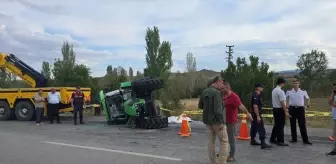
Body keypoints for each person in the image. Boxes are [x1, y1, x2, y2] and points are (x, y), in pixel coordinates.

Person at [198, 76, 228, 164]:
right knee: (224, 141)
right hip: (217, 122)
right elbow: (218, 110)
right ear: (217, 82)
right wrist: (221, 122)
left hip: (208, 121)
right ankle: (222, 162)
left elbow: (200, 106)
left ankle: (213, 161)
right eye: (221, 83)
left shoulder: (204, 91)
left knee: (211, 142)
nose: (222, 85)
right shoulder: (216, 93)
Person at [222, 82, 253, 162]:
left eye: (223, 88)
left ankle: (232, 155)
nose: (221, 89)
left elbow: (241, 106)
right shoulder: (224, 95)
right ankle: (224, 153)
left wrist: (248, 114)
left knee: (231, 138)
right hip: (223, 120)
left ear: (227, 88)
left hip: (230, 121)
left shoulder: (234, 97)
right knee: (224, 138)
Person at [285, 79, 312, 145]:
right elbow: (285, 99)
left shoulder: (303, 91)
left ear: (299, 84)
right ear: (292, 84)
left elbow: (308, 98)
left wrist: (307, 105)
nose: (295, 84)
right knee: (293, 125)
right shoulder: (289, 91)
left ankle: (305, 140)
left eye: (296, 83)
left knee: (302, 125)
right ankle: (294, 139)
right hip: (292, 109)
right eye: (294, 83)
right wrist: (286, 107)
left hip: (300, 109)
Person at [250, 83, 273, 149]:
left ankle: (253, 140)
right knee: (261, 128)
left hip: (254, 114)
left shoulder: (257, 95)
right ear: (257, 88)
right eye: (261, 87)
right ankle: (263, 143)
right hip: (256, 114)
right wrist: (258, 116)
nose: (262, 88)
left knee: (254, 127)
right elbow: (255, 106)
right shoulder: (256, 95)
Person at [270, 77, 291, 146]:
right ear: (282, 83)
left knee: (276, 125)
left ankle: (272, 138)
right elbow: (282, 102)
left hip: (275, 109)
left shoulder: (274, 90)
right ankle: (280, 141)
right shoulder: (280, 91)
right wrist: (286, 111)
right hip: (280, 109)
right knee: (281, 125)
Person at [326, 83, 336, 156]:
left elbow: (334, 104)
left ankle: (335, 150)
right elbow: (329, 102)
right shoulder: (334, 95)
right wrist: (333, 93)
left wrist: (331, 102)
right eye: (334, 88)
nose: (335, 89)